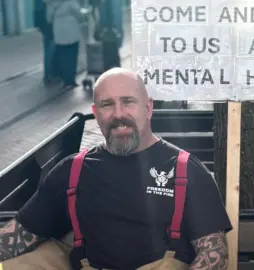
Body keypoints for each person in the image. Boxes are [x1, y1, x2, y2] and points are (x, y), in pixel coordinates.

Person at [0, 67, 232, 269]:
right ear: (96, 113)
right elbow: (18, 236)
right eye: (107, 105)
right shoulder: (72, 171)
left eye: (128, 102)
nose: (119, 114)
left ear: (148, 108)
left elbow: (215, 255)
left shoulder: (186, 170)